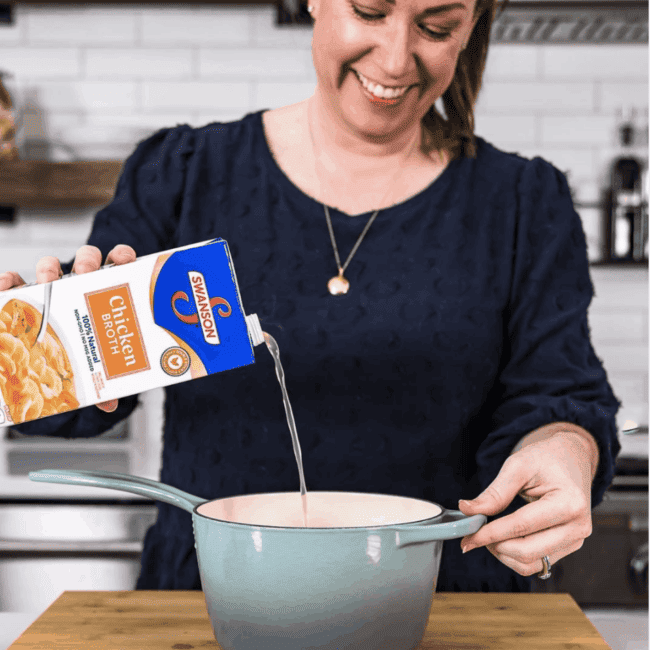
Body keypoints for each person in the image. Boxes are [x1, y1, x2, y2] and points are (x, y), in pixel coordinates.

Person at [0, 0, 621, 593]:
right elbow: (72, 410)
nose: (397, 59)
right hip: (221, 593)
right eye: (370, 13)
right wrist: (34, 355)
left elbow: (557, 392)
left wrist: (565, 449)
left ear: (471, 29)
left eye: (435, 27)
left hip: (438, 597)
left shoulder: (522, 202)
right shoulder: (188, 171)